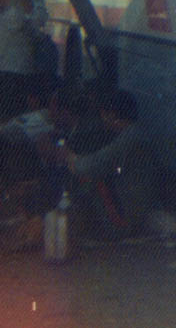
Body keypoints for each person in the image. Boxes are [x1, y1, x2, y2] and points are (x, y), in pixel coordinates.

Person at [59, 89, 158, 242]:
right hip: (138, 208)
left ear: (111, 115)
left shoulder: (129, 139)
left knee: (89, 180)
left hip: (128, 218)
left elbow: (88, 167)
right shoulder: (136, 133)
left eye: (104, 114)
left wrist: (70, 157)